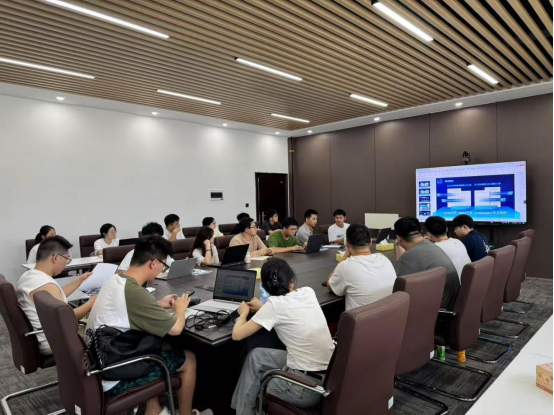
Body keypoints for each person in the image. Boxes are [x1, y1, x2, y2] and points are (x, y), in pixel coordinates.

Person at [87, 236, 212, 415]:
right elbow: (176, 329)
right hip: (114, 372)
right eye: (164, 265)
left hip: (99, 358)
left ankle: (153, 409)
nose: (163, 269)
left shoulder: (116, 280)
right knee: (189, 358)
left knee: (160, 343)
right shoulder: (134, 292)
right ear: (154, 263)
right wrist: (180, 310)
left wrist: (158, 304)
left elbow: (127, 309)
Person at [231, 259, 335, 415]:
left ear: (265, 287)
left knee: (257, 379)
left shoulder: (273, 305)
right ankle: (239, 410)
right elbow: (286, 309)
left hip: (305, 389)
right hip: (330, 378)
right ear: (291, 280)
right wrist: (264, 309)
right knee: (256, 356)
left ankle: (243, 412)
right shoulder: (308, 291)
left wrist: (243, 314)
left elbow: (237, 335)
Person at [17, 236, 97, 355]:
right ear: (55, 258)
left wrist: (79, 281)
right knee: (102, 328)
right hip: (54, 340)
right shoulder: (47, 284)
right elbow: (68, 318)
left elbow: (54, 298)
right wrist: (91, 303)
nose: (66, 264)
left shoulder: (30, 276)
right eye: (67, 259)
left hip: (43, 334)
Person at [395, 217, 460, 310]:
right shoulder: (433, 246)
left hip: (437, 311)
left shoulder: (407, 257)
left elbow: (400, 295)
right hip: (451, 306)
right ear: (421, 232)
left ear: (399, 238)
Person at [327, 224, 397, 311]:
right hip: (391, 316)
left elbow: (330, 285)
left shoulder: (345, 266)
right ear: (371, 242)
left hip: (363, 319)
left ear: (347, 244)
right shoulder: (384, 259)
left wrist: (344, 257)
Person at [425, 216, 471, 281]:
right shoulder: (458, 242)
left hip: (453, 286)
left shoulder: (432, 249)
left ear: (429, 234)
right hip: (467, 282)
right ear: (446, 229)